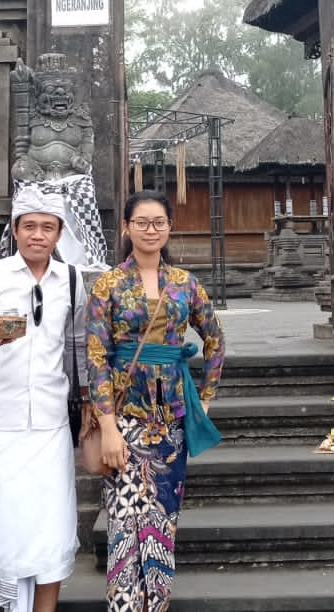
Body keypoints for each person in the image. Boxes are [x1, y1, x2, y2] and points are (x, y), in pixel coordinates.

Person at [86, 191, 225, 612]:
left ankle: (157, 604)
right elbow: (95, 355)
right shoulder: (108, 284)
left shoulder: (185, 283)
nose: (151, 230)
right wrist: (106, 425)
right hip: (124, 415)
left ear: (169, 227)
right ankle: (126, 604)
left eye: (159, 222)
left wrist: (203, 400)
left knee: (163, 518)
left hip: (171, 418)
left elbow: (215, 340)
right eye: (142, 222)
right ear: (126, 227)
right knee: (125, 519)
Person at [0, 185, 85, 612]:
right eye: (30, 226)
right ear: (15, 229)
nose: (38, 235)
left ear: (59, 233)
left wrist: (89, 403)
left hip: (49, 422)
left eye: (48, 227)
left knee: (48, 530)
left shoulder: (73, 281)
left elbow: (78, 343)